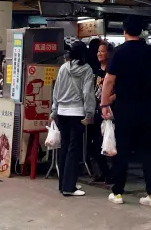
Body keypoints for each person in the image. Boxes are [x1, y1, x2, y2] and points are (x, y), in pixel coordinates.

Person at [101, 15, 151, 207]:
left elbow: (109, 81)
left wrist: (104, 104)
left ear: (124, 31)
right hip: (146, 108)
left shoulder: (118, 53)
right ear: (141, 31)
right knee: (147, 151)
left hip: (124, 108)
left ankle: (117, 193)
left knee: (123, 150)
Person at [50, 40, 95, 197]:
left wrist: (54, 110)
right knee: (74, 150)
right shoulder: (87, 69)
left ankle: (64, 184)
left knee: (64, 147)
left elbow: (56, 91)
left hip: (62, 112)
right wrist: (89, 113)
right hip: (77, 113)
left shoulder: (63, 68)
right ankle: (69, 187)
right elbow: (88, 93)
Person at [89, 41, 115, 184]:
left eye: (102, 51)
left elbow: (118, 91)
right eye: (98, 51)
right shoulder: (94, 71)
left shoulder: (113, 71)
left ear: (109, 53)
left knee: (110, 141)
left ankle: (113, 173)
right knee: (95, 143)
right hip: (96, 110)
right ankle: (104, 172)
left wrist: (108, 100)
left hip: (110, 111)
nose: (99, 53)